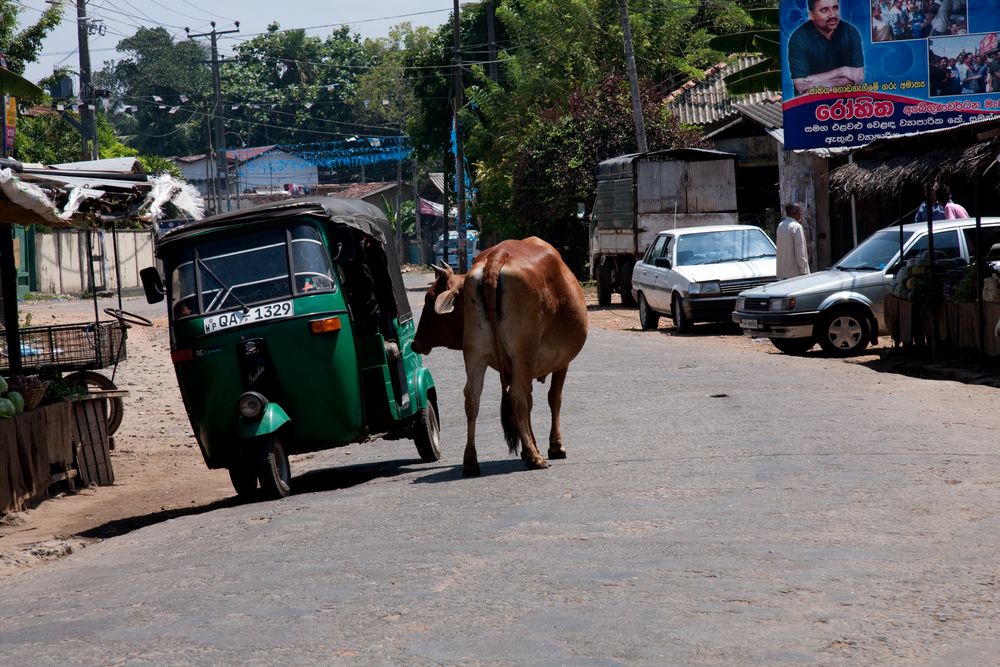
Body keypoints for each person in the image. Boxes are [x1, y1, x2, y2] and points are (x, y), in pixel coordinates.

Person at [788, 0, 865, 96]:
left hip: (846, 103)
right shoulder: (799, 38)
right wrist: (843, 72)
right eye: (824, 10)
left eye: (835, 8)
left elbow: (858, 76)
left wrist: (820, 79)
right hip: (810, 105)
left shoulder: (851, 32)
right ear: (811, 15)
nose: (832, 15)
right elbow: (801, 87)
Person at [776, 203, 811, 279]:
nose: (801, 213)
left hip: (783, 273)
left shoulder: (780, 225)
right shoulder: (797, 227)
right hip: (795, 274)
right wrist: (804, 271)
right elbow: (800, 254)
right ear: (793, 212)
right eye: (800, 211)